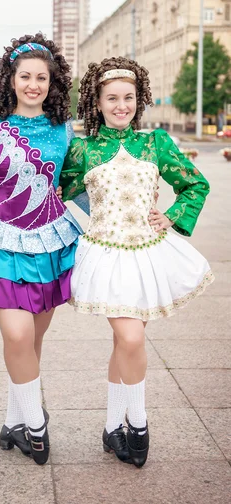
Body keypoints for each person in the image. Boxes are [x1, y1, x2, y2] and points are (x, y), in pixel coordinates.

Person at [60, 57, 214, 468]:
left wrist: (172, 216)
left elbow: (196, 184)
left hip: (150, 255)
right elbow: (53, 189)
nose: (121, 106)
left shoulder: (156, 142)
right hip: (106, 254)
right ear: (97, 102)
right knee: (130, 339)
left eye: (128, 98)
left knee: (124, 343)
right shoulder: (83, 148)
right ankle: (140, 423)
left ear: (138, 99)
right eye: (112, 98)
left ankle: (113, 427)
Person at [0, 34, 82, 464]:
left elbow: (81, 182)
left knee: (32, 342)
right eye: (25, 76)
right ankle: (36, 425)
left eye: (42, 77)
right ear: (10, 79)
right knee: (16, 335)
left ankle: (14, 419)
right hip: (2, 240)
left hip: (51, 241)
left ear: (52, 83)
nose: (33, 84)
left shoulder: (64, 129)